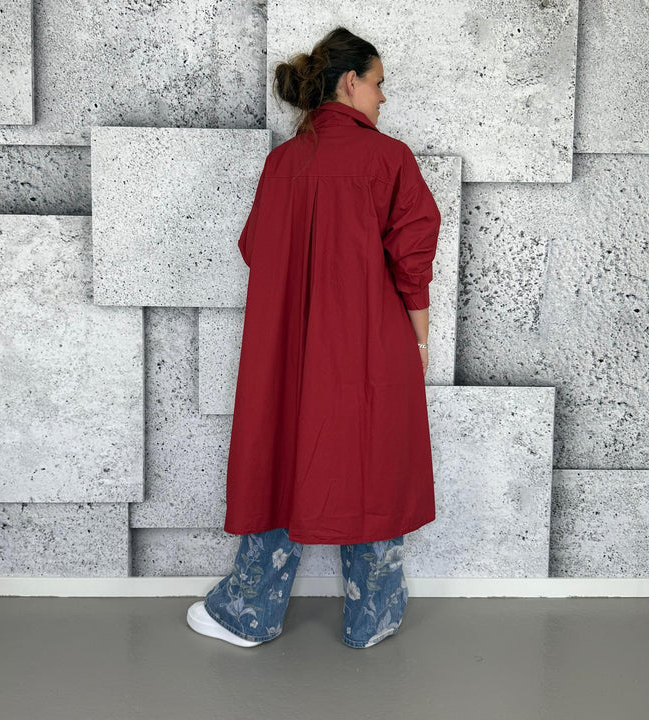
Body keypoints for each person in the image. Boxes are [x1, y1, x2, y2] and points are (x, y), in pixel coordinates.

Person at [187, 26, 442, 649]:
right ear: (350, 82)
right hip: (370, 342)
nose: (383, 97)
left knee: (279, 453)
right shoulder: (390, 159)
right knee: (372, 459)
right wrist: (419, 342)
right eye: (378, 83)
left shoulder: (281, 164)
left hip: (288, 348)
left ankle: (250, 612)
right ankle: (371, 617)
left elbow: (255, 248)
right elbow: (412, 263)